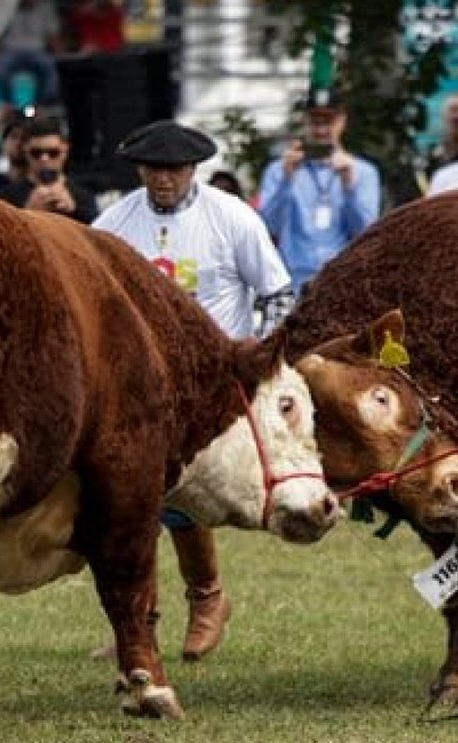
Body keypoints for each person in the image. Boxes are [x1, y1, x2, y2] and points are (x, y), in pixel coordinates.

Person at [91, 121, 295, 661]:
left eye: (175, 170)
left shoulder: (231, 217)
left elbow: (277, 293)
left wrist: (259, 357)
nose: (164, 179)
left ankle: (207, 597)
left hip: (211, 380)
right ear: (140, 170)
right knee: (126, 499)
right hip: (134, 381)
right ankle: (139, 618)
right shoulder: (112, 224)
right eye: (154, 169)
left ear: (194, 170)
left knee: (179, 493)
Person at [258, 88, 380, 293]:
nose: (321, 129)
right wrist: (286, 181)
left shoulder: (363, 172)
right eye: (315, 121)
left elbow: (366, 233)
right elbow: (268, 227)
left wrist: (349, 187)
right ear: (304, 121)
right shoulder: (279, 170)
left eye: (328, 121)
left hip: (342, 281)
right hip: (293, 280)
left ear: (342, 122)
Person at [0, 117, 98, 224]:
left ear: (65, 150)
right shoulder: (7, 196)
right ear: (25, 150)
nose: (44, 159)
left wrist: (74, 210)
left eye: (53, 153)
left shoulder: (83, 195)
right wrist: (28, 213)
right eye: (36, 153)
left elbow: (95, 230)